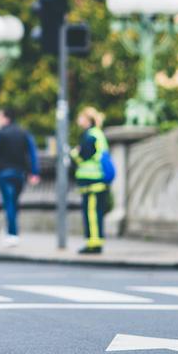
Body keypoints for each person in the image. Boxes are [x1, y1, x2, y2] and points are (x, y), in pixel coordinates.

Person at [0, 108, 40, 246]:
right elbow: (33, 153)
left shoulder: (0, 134)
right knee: (14, 202)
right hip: (20, 174)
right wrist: (34, 172)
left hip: (4, 173)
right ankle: (10, 229)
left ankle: (12, 234)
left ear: (6, 118)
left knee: (9, 203)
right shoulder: (24, 133)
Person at [71, 107, 112, 254]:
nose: (78, 121)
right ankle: (94, 242)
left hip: (92, 181)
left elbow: (83, 156)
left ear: (87, 119)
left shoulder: (90, 136)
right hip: (95, 180)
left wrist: (74, 153)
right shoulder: (97, 134)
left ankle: (94, 244)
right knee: (95, 212)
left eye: (80, 118)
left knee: (92, 213)